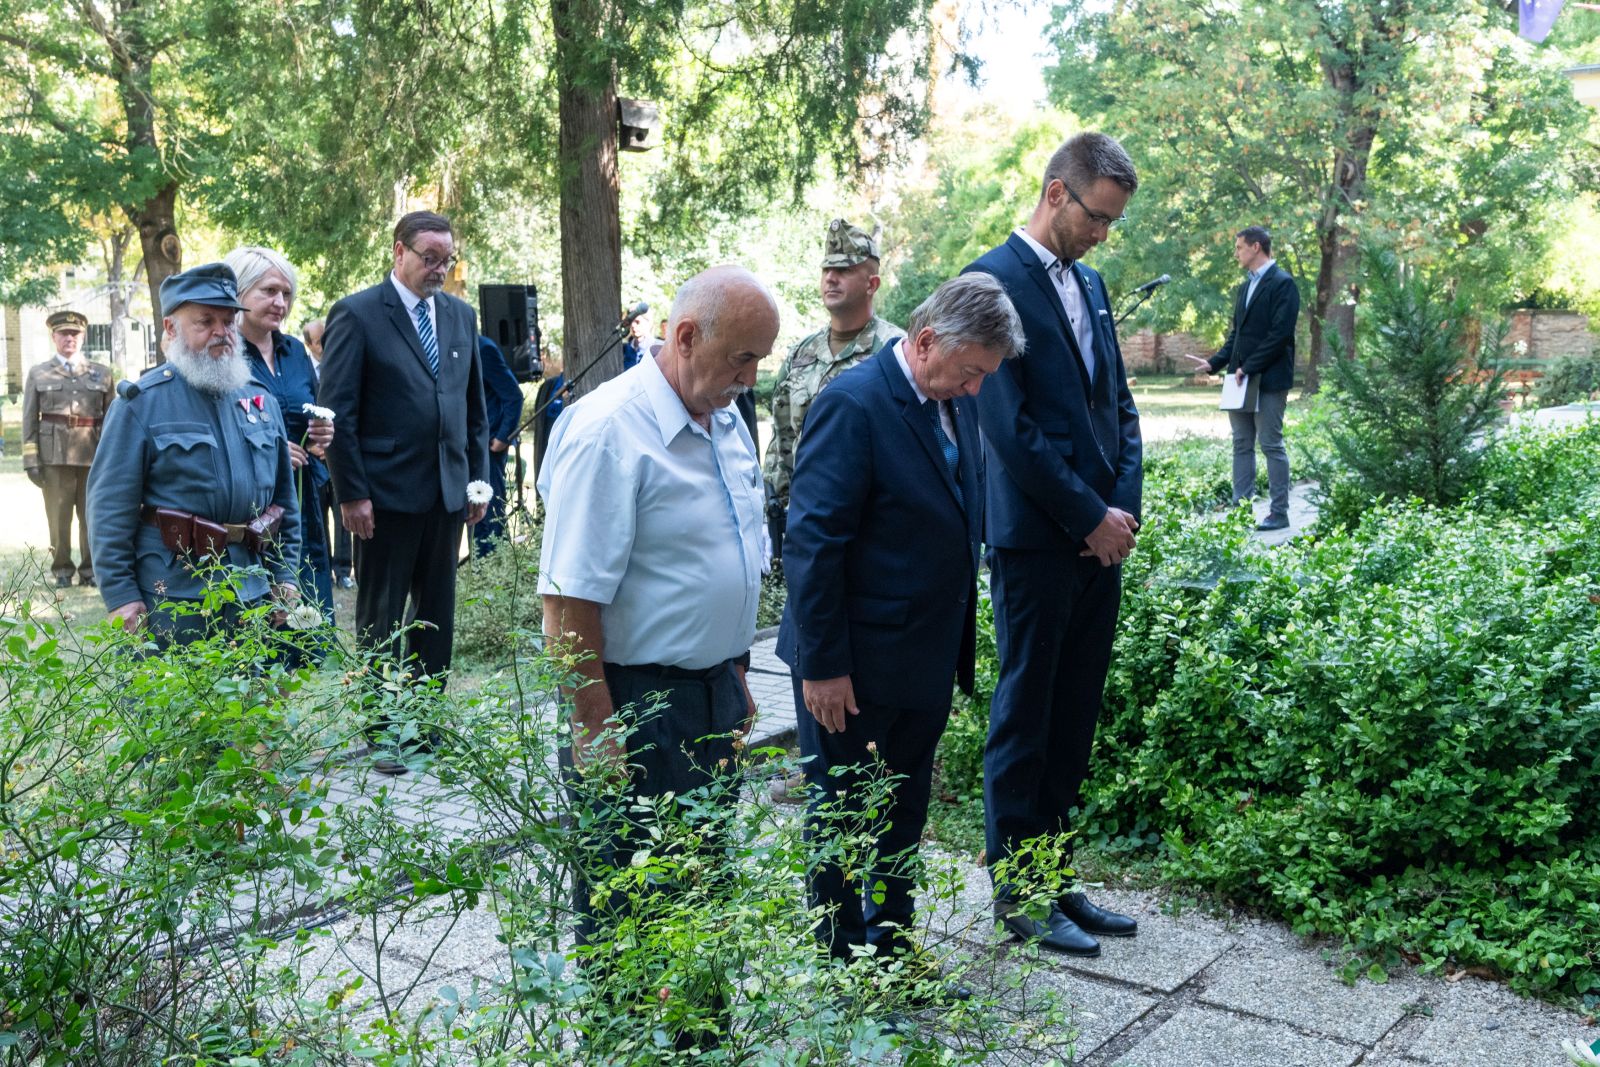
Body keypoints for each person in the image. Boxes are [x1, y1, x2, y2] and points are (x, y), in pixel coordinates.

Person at [776, 273, 1021, 969]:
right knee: (845, 813)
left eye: (986, 377)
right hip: (851, 664)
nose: (977, 389)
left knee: (903, 809)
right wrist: (823, 664)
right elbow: (812, 542)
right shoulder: (853, 404)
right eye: (972, 371)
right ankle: (844, 961)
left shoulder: (956, 398)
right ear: (925, 342)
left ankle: (893, 949)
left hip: (922, 655)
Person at [537, 265, 777, 946]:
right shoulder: (608, 429)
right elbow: (566, 603)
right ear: (685, 336)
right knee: (630, 911)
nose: (751, 378)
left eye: (760, 358)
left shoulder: (724, 420)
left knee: (702, 889)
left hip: (712, 697)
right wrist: (596, 730)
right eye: (742, 357)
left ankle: (696, 1039)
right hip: (633, 705)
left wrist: (733, 677)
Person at [964, 131, 1144, 957]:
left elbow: (1122, 411)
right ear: (1055, 192)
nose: (1102, 235)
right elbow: (1011, 429)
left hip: (1100, 542)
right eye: (1097, 218)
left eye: (1111, 223)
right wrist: (1085, 517)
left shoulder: (1094, 285)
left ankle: (1056, 875)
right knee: (1025, 714)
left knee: (1073, 717)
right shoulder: (990, 282)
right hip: (1037, 542)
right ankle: (1017, 893)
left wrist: (1122, 512)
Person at [318, 211, 490, 712]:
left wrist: (476, 482)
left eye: (447, 260)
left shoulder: (461, 317)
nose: (439, 269)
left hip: (445, 493)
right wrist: (351, 493)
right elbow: (338, 413)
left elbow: (472, 411)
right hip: (384, 496)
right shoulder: (357, 314)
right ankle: (383, 726)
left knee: (436, 613)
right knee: (383, 615)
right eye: (429, 258)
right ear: (399, 252)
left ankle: (425, 720)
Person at [86, 263, 301, 644]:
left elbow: (285, 503)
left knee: (249, 700)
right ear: (171, 328)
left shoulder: (260, 401)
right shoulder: (141, 405)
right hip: (173, 595)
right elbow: (108, 509)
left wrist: (285, 575)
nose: (222, 333)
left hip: (251, 592)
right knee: (169, 703)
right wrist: (120, 596)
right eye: (205, 321)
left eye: (229, 321)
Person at [762, 219, 904, 512]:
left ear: (872, 284)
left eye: (844, 270)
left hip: (872, 520)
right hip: (806, 517)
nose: (831, 278)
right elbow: (782, 441)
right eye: (827, 269)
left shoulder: (896, 350)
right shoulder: (801, 354)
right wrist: (779, 509)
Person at [226, 247, 337, 618]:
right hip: (252, 505)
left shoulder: (294, 352)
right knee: (264, 618)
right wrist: (268, 453)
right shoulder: (223, 353)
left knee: (310, 605)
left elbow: (310, 409)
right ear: (239, 292)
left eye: (286, 294)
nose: (280, 302)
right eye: (269, 291)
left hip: (303, 501)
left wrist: (322, 435)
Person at [1184, 226, 1300, 531]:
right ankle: (1241, 509)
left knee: (1271, 444)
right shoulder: (1244, 287)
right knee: (1241, 443)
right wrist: (1213, 362)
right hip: (1239, 379)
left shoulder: (1283, 283)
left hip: (1270, 378)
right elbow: (1237, 334)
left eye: (1239, 247)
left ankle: (1279, 512)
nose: (1236, 252)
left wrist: (1249, 366)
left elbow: (1281, 334)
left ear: (1257, 247)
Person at [22, 311, 116, 588]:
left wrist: (113, 461)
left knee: (92, 519)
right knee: (58, 520)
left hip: (93, 457)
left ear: (83, 337)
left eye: (74, 334)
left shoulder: (102, 373)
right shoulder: (39, 373)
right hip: (54, 458)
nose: (69, 339)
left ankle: (90, 571)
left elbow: (112, 420)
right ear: (54, 337)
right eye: (63, 334)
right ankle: (62, 570)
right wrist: (31, 460)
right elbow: (29, 418)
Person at [473, 333, 525, 554]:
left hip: (489, 448)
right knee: (474, 513)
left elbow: (514, 395)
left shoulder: (483, 348)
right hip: (470, 446)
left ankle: (494, 569)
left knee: (491, 515)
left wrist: (503, 437)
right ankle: (479, 569)